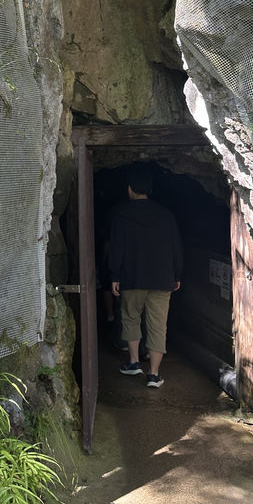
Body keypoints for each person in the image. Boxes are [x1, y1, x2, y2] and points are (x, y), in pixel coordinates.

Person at [109, 165, 182, 388]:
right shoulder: (166, 215)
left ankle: (133, 363)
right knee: (158, 325)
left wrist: (114, 274)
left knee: (131, 318)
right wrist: (177, 274)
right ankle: (154, 374)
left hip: (132, 278)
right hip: (162, 280)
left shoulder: (121, 214)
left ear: (130, 189)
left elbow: (117, 248)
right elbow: (176, 247)